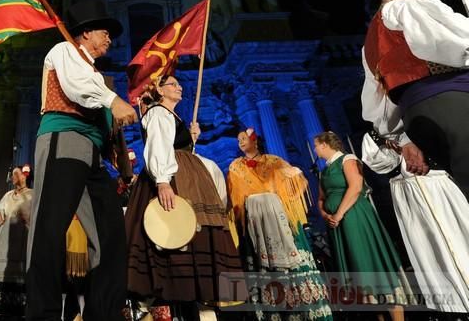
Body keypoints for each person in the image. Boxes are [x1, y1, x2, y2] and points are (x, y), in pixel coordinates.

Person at [25, 0, 138, 321]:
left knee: (111, 231)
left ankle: (104, 312)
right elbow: (76, 89)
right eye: (104, 32)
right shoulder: (64, 52)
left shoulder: (93, 72)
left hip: (91, 153)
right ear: (86, 33)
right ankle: (42, 314)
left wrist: (117, 154)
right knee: (50, 226)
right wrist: (113, 100)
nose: (110, 39)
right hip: (64, 140)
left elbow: (101, 116)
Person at [124, 75, 242, 321]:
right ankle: (175, 302)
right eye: (173, 84)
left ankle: (199, 303)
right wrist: (164, 182)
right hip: (172, 179)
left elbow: (175, 147)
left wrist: (191, 139)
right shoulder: (158, 113)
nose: (179, 87)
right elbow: (158, 147)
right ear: (160, 90)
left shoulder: (172, 116)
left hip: (187, 176)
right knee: (178, 234)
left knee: (196, 232)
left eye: (179, 84)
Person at [358, 0, 469, 198]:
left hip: (416, 118)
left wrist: (404, 139)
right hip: (453, 99)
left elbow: (378, 105)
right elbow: (452, 41)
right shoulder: (406, 6)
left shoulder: (369, 44)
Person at [227, 128, 332, 320]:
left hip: (279, 219)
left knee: (294, 266)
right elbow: (235, 198)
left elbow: (296, 181)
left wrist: (288, 181)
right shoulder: (235, 166)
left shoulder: (274, 161)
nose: (240, 142)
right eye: (238, 140)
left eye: (244, 138)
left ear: (254, 141)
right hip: (255, 224)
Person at [361, 130, 469, 314]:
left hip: (437, 185)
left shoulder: (416, 118)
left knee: (460, 234)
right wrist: (391, 144)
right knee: (429, 249)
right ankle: (454, 309)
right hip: (407, 192)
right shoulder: (376, 133)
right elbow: (378, 162)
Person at [314, 130, 411, 320]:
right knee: (357, 271)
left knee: (368, 263)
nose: (315, 148)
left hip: (354, 217)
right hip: (337, 225)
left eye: (316, 145)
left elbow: (356, 186)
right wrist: (326, 215)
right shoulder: (324, 170)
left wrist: (339, 213)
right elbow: (320, 198)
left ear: (325, 145)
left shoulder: (347, 159)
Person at [0, 166, 33, 318]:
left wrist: (26, 222)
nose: (14, 176)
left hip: (22, 236)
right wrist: (3, 222)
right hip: (6, 237)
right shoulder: (9, 194)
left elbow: (34, 216)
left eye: (17, 173)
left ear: (24, 176)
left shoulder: (32, 194)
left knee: (18, 271)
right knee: (2, 269)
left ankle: (17, 308)